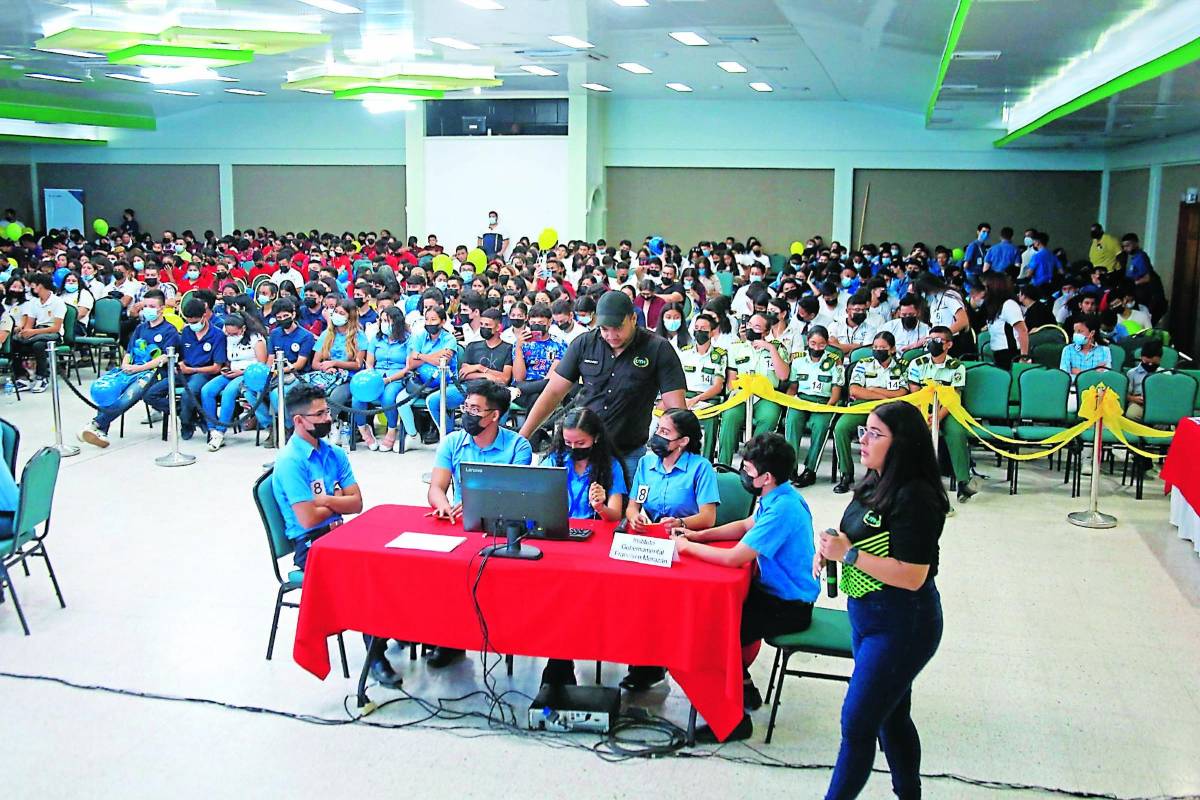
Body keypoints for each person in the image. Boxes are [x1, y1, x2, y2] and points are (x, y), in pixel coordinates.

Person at [817, 401, 947, 800]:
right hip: (866, 615)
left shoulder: (917, 497)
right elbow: (855, 531)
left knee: (857, 724)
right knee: (891, 717)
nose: (863, 441)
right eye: (864, 431)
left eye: (875, 434)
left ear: (902, 444)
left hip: (903, 622)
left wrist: (849, 555)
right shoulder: (875, 479)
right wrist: (829, 547)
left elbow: (911, 575)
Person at [674, 432, 818, 743]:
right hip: (772, 594)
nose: (743, 473)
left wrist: (684, 549)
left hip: (788, 606)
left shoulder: (784, 509)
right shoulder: (777, 495)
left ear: (766, 477)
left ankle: (732, 721)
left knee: (709, 634)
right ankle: (744, 688)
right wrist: (696, 535)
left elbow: (734, 557)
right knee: (710, 611)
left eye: (748, 470)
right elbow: (744, 526)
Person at [270, 383, 397, 688]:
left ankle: (399, 626)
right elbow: (308, 517)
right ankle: (375, 655)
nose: (328, 417)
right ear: (298, 421)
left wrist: (326, 500)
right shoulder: (291, 462)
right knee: (364, 574)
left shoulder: (334, 453)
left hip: (340, 530)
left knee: (391, 558)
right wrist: (335, 500)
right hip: (309, 543)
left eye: (327, 410)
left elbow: (357, 503)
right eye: (320, 414)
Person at [518, 291, 686, 485]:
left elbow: (677, 410)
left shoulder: (658, 349)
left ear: (633, 318)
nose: (611, 335)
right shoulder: (584, 343)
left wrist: (677, 455)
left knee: (622, 512)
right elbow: (553, 392)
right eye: (605, 329)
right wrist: (523, 436)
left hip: (628, 453)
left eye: (618, 328)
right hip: (583, 451)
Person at [427, 379, 532, 668]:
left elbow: (517, 496)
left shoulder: (518, 446)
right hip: (460, 525)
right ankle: (446, 638)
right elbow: (436, 488)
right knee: (436, 571)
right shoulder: (452, 442)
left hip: (502, 530)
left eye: (475, 409)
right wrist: (443, 504)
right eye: (466, 407)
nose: (467, 414)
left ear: (494, 415)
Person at [623, 408, 720, 691]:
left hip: (685, 545)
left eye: (665, 433)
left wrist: (679, 521)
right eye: (658, 430)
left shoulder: (700, 468)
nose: (658, 437)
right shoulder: (646, 464)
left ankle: (668, 659)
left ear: (683, 441)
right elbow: (634, 503)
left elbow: (708, 518)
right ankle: (643, 661)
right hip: (649, 543)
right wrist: (635, 517)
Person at [79, 289, 179, 448]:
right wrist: (125, 364)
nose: (148, 309)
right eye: (145, 306)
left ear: (161, 308)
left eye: (152, 306)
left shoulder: (170, 330)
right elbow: (129, 351)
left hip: (154, 373)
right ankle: (102, 431)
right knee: (110, 388)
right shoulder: (141, 328)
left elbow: (164, 358)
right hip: (132, 368)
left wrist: (138, 369)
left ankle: (96, 424)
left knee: (130, 393)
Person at [831, 332, 909, 494]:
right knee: (841, 428)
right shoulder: (863, 364)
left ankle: (887, 476)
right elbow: (855, 390)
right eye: (875, 347)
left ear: (892, 349)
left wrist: (873, 390)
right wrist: (882, 396)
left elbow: (902, 393)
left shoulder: (902, 366)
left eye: (882, 348)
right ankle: (846, 474)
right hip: (863, 406)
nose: (877, 351)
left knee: (895, 433)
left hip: (890, 409)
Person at [907, 326, 978, 501]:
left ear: (948, 345)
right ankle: (912, 481)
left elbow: (955, 397)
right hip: (923, 408)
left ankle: (963, 482)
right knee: (912, 431)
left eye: (937, 340)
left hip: (948, 409)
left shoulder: (957, 367)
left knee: (957, 433)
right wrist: (925, 417)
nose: (932, 343)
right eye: (930, 339)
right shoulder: (917, 364)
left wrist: (938, 417)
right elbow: (915, 394)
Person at [145, 297, 226, 440]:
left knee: (188, 394)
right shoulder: (186, 332)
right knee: (150, 394)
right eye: (189, 322)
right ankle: (190, 414)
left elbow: (216, 367)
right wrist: (180, 365)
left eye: (195, 322)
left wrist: (192, 370)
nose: (192, 325)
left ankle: (186, 422)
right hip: (183, 372)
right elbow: (178, 354)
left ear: (204, 316)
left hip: (203, 373)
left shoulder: (218, 335)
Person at [716, 311, 790, 465]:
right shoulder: (736, 348)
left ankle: (752, 463)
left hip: (767, 396)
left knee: (769, 417)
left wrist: (771, 349)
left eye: (756, 327)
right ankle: (723, 465)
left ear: (766, 332)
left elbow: (783, 376)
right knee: (729, 417)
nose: (750, 329)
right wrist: (735, 393)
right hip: (741, 393)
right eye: (749, 324)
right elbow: (731, 379)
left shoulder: (777, 348)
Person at [429, 307, 512, 435]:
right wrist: (486, 374)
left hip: (494, 391)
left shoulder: (507, 348)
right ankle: (449, 436)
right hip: (467, 388)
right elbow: (464, 374)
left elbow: (504, 378)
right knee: (433, 401)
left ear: (498, 327)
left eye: (488, 325)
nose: (484, 328)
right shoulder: (473, 346)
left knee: (500, 405)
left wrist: (480, 369)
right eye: (482, 324)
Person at [353, 306, 419, 452]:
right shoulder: (376, 339)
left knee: (388, 397)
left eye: (387, 321)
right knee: (357, 398)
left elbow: (407, 368)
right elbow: (369, 362)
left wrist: (388, 380)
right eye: (382, 320)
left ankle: (391, 431)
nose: (384, 324)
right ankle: (364, 430)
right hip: (376, 375)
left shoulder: (409, 340)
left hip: (397, 377)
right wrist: (372, 376)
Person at [785, 326, 844, 487]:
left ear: (826, 344)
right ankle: (790, 467)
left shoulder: (834, 361)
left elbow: (836, 392)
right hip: (802, 399)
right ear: (807, 342)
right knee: (792, 420)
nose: (816, 348)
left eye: (821, 344)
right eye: (813, 343)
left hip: (824, 402)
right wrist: (790, 400)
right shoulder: (798, 360)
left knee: (820, 425)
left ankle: (810, 470)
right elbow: (793, 386)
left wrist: (828, 406)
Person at [202, 311, 267, 451]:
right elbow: (227, 359)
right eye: (228, 333)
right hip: (231, 371)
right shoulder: (226, 337)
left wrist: (241, 372)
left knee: (229, 392)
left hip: (247, 374)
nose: (231, 336)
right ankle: (212, 429)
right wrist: (225, 369)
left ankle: (220, 431)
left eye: (234, 333)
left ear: (243, 329)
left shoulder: (256, 338)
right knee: (207, 390)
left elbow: (262, 363)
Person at [306, 299, 367, 444]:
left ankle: (323, 428)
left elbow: (358, 364)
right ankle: (307, 427)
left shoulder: (359, 336)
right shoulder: (326, 334)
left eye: (341, 313)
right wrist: (327, 367)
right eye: (336, 312)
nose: (337, 315)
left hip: (348, 378)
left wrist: (336, 363)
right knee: (305, 393)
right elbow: (315, 363)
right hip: (326, 376)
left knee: (335, 397)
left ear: (349, 316)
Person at [260, 298, 316, 448]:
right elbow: (270, 359)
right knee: (252, 392)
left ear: (293, 314)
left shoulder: (305, 336)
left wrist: (280, 371)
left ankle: (289, 427)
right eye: (279, 318)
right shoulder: (275, 334)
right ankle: (271, 426)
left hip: (297, 375)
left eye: (286, 316)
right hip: (275, 373)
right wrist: (267, 373)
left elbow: (299, 364)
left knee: (278, 394)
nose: (283, 320)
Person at [677, 312, 726, 458]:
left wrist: (696, 400)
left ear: (711, 332)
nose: (699, 331)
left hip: (707, 399)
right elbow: (677, 379)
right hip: (686, 396)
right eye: (697, 328)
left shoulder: (719, 355)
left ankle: (707, 460)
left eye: (703, 329)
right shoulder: (685, 353)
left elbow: (718, 386)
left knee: (712, 418)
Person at [12, 273, 65, 393]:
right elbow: (29, 324)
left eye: (33, 286)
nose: (31, 288)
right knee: (15, 342)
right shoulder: (34, 302)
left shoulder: (58, 302)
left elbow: (56, 328)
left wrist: (33, 332)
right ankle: (22, 377)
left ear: (40, 286)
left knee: (38, 344)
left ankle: (42, 377)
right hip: (36, 331)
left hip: (52, 333)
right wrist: (25, 332)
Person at [511, 303, 566, 414]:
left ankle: (526, 431)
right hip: (524, 388)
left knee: (539, 395)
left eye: (541, 323)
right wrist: (518, 349)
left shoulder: (559, 344)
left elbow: (549, 379)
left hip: (547, 388)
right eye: (533, 323)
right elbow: (519, 378)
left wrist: (520, 388)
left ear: (549, 322)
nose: (536, 325)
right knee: (534, 396)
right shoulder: (521, 343)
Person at [981, 272, 1030, 370]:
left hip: (1010, 354)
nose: (985, 291)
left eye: (987, 287)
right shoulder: (995, 307)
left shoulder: (1009, 305)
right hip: (998, 353)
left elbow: (1023, 331)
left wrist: (1023, 357)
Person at [1059, 316, 1111, 381]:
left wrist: (1079, 373)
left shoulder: (1105, 351)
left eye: (1079, 331)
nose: (1075, 334)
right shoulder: (1067, 350)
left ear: (1092, 333)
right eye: (1075, 331)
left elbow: (1105, 377)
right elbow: (1065, 377)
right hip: (1073, 389)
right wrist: (1094, 372)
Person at [1124, 339, 1162, 421]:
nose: (1150, 365)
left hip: (1159, 405)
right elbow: (1125, 394)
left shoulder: (1165, 374)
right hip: (1138, 403)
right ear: (1141, 358)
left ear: (1159, 360)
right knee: (1131, 414)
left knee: (1162, 421)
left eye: (1153, 363)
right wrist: (1133, 398)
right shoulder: (1132, 373)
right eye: (1147, 362)